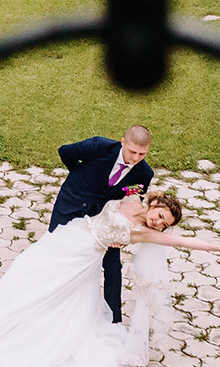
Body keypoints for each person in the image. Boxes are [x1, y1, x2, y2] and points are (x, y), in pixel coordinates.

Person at [0, 191, 220, 367]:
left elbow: (183, 242)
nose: (158, 224)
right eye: (160, 216)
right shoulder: (133, 197)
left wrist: (218, 247)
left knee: (46, 292)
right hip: (70, 236)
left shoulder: (144, 232)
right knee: (25, 273)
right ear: (156, 204)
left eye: (163, 225)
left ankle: (18, 334)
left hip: (83, 258)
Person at [49, 124, 155, 322]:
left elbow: (132, 202)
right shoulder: (98, 146)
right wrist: (79, 175)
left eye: (142, 154)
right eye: (132, 151)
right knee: (57, 256)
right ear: (123, 142)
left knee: (113, 267)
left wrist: (123, 233)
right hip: (70, 207)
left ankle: (114, 320)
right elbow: (65, 152)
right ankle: (52, 305)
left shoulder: (144, 174)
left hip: (106, 220)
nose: (135, 158)